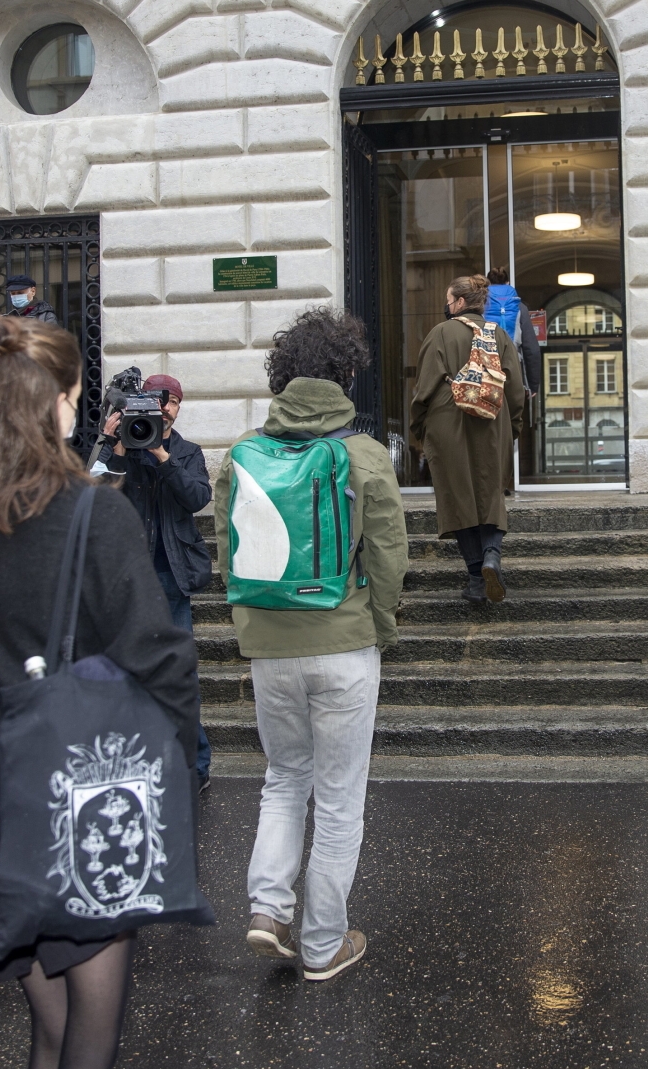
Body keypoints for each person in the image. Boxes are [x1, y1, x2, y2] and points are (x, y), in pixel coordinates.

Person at [0, 313, 198, 1069]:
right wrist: (180, 768)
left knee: (50, 1025)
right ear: (62, 400)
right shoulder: (93, 512)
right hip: (76, 801)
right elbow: (159, 660)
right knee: (90, 1031)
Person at [214, 306, 407, 982]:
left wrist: (253, 631)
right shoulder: (363, 454)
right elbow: (387, 554)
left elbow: (227, 555)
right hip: (345, 642)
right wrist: (380, 624)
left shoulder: (243, 452)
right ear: (346, 374)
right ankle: (324, 944)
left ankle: (267, 908)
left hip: (270, 647)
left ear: (282, 374)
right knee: (340, 794)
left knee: (284, 777)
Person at [92, 372, 214, 782]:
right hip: (124, 580)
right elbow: (90, 496)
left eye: (172, 403)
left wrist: (162, 455)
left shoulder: (187, 451)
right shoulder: (121, 442)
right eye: (156, 402)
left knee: (179, 676)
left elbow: (196, 498)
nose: (164, 409)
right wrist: (113, 446)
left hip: (170, 578)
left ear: (178, 409)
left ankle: (194, 767)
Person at [409, 275, 527, 602]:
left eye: (448, 301)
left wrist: (420, 429)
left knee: (457, 494)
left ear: (459, 303)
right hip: (493, 417)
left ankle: (477, 578)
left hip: (448, 418)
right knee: (489, 491)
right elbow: (516, 393)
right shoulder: (499, 335)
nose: (447, 307)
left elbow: (424, 390)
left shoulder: (439, 334)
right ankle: (492, 555)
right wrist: (510, 429)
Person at [483, 268, 542, 398]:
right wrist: (533, 385)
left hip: (486, 366)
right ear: (508, 282)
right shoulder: (519, 307)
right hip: (513, 367)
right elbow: (531, 349)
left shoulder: (480, 305)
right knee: (512, 413)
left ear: (488, 283)